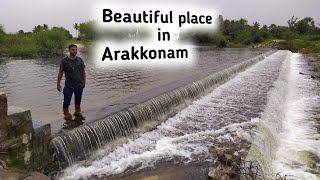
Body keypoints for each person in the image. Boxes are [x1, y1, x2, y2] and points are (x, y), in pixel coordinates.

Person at [57, 44, 86, 120]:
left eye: (76, 49)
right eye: (73, 49)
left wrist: (84, 81)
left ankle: (77, 112)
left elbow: (83, 71)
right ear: (69, 50)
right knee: (66, 102)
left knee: (78, 100)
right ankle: (66, 114)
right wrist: (58, 84)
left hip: (79, 84)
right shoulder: (64, 60)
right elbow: (60, 72)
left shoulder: (80, 60)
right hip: (69, 85)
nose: (75, 51)